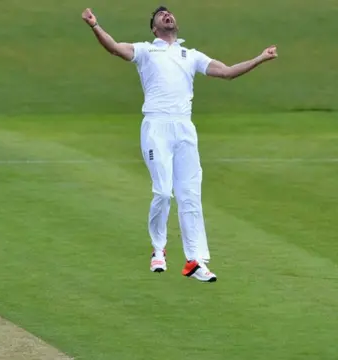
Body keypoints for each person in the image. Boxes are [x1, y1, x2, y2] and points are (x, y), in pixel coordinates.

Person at [81, 6, 278, 282]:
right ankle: (158, 250)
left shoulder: (191, 55)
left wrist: (260, 58)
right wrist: (94, 25)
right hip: (156, 126)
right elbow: (114, 47)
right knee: (162, 192)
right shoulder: (146, 51)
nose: (167, 15)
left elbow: (228, 72)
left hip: (185, 128)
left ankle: (195, 261)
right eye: (161, 15)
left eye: (169, 13)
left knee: (190, 195)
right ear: (154, 28)